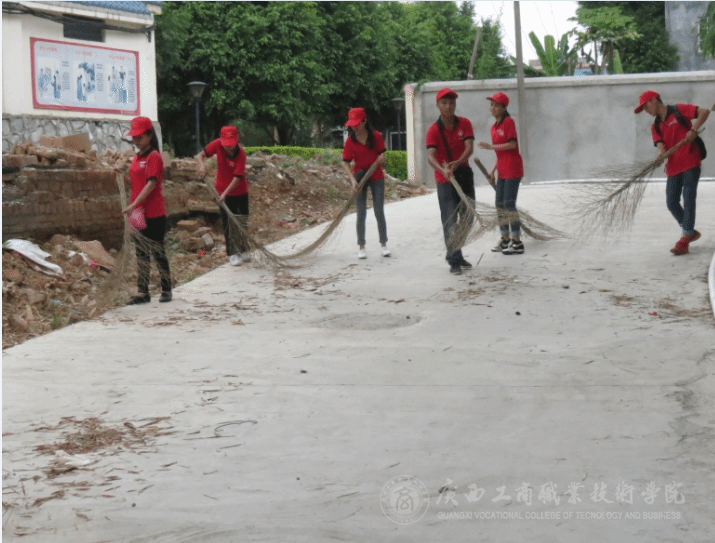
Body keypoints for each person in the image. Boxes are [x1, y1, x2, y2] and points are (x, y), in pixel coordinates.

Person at [635, 90, 709, 255]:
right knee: (671, 202)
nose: (646, 111)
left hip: (690, 160)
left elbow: (704, 112)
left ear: (654, 101)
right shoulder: (655, 126)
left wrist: (693, 130)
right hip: (673, 167)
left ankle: (684, 239)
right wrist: (660, 156)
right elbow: (660, 147)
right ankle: (690, 231)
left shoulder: (678, 110)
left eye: (646, 107)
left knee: (688, 200)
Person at [121, 116, 172, 304]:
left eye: (139, 137)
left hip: (153, 212)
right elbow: (136, 183)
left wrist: (134, 204)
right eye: (134, 137)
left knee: (158, 251)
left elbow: (151, 184)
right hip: (137, 212)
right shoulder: (137, 157)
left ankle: (166, 289)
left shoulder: (154, 157)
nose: (136, 141)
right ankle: (143, 292)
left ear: (150, 135)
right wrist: (122, 177)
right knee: (141, 253)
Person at [425, 88, 475, 275]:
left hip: (464, 175)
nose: (448, 106)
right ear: (438, 105)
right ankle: (454, 260)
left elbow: (469, 148)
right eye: (444, 103)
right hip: (445, 179)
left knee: (468, 216)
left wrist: (458, 162)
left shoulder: (465, 123)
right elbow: (431, 157)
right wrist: (443, 170)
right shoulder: (433, 130)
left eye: (451, 103)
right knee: (450, 220)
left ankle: (455, 251)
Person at [477, 92, 525, 255]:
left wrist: (491, 147)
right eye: (491, 105)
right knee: (499, 205)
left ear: (504, 108)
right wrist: (492, 172)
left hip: (513, 169)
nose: (493, 108)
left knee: (509, 205)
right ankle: (505, 239)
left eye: (497, 105)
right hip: (502, 170)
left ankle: (517, 242)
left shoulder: (508, 122)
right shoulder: (494, 127)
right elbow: (500, 154)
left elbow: (512, 145)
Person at [195, 126, 250, 266]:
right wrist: (202, 166)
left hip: (240, 191)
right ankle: (232, 253)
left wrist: (224, 194)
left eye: (231, 144)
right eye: (226, 145)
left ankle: (244, 249)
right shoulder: (217, 145)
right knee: (228, 223)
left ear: (237, 140)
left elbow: (237, 178)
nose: (229, 148)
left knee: (242, 220)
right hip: (222, 189)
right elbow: (199, 155)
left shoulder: (241, 154)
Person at [341, 108, 390, 259]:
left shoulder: (376, 136)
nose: (354, 127)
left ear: (364, 121)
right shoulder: (350, 141)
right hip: (360, 178)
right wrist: (353, 180)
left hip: (376, 176)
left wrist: (381, 159)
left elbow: (382, 154)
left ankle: (384, 244)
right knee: (361, 213)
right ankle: (361, 246)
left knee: (379, 211)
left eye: (357, 124)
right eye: (352, 125)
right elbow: (345, 162)